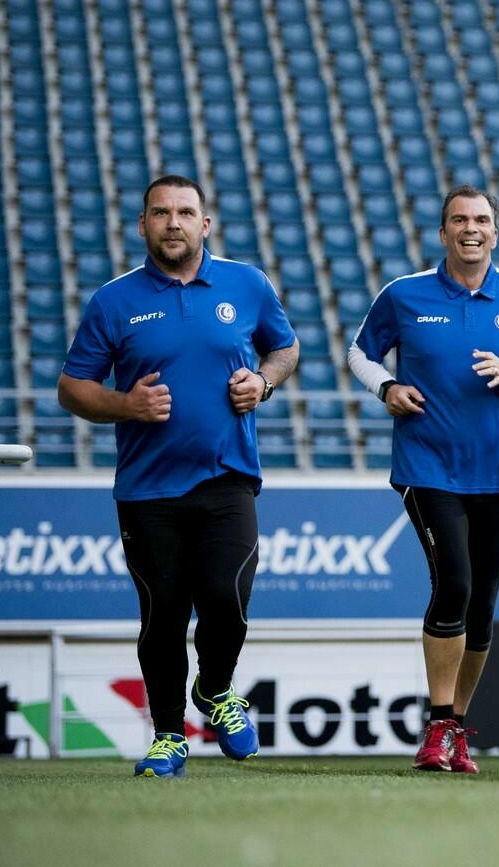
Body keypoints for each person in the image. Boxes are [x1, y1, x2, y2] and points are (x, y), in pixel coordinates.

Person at [59, 175, 299, 778]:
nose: (174, 222)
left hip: (228, 478)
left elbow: (286, 348)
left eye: (185, 212)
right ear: (142, 225)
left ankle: (215, 691)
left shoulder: (247, 284)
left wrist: (263, 383)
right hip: (148, 489)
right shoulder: (113, 300)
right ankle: (169, 736)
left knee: (227, 599)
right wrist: (125, 406)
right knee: (163, 615)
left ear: (205, 224)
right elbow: (71, 388)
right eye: (160, 213)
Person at [347, 185, 499, 774]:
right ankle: (439, 723)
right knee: (457, 583)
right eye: (459, 220)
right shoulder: (405, 295)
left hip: (496, 472)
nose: (472, 228)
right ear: (442, 233)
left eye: (482, 220)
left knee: (484, 604)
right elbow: (359, 354)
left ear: (496, 231)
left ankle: (455, 728)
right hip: (427, 468)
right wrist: (386, 388)